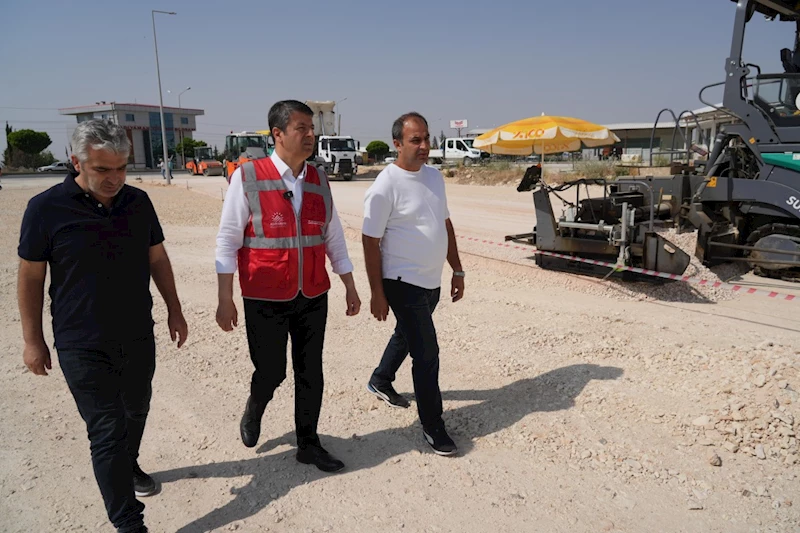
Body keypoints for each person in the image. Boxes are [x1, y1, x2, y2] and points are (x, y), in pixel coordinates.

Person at [16, 119, 188, 533]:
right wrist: (32, 340)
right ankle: (129, 523)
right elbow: (31, 277)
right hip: (80, 341)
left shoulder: (139, 202)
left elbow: (158, 258)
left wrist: (175, 309)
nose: (114, 179)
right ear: (76, 162)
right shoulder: (45, 208)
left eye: (121, 168)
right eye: (102, 170)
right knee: (106, 429)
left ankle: (127, 467)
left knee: (137, 409)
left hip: (136, 333)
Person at [215, 100, 361, 473]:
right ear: (277, 134)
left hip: (312, 293)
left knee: (310, 369)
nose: (311, 134)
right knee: (271, 371)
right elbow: (228, 239)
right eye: (302, 128)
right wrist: (224, 297)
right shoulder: (247, 177)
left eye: (312, 128)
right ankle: (255, 405)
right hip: (265, 295)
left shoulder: (318, 179)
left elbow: (333, 235)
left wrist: (349, 283)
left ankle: (308, 443)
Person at [362, 112, 465, 456]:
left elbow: (445, 223)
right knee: (427, 352)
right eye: (415, 140)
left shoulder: (435, 177)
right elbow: (369, 240)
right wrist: (377, 292)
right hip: (401, 280)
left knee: (406, 335)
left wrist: (458, 269)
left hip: (430, 279)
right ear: (396, 143)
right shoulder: (385, 185)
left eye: (426, 139)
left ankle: (380, 379)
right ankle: (433, 426)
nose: (424, 146)